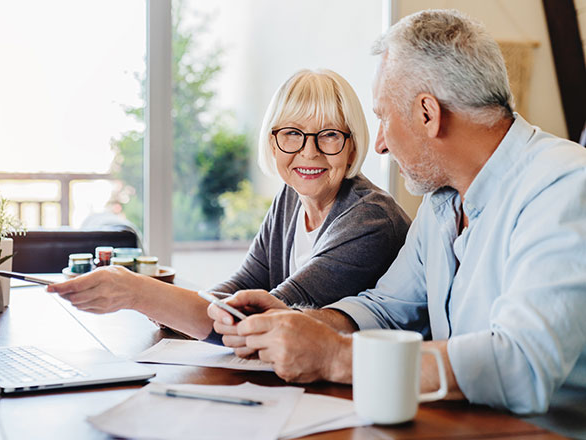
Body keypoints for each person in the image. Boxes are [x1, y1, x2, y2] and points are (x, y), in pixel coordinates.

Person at [208, 9, 586, 414]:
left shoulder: (564, 187)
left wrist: (337, 357)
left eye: (383, 118)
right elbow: (388, 308)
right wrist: (300, 321)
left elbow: (522, 365)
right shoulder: (442, 203)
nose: (380, 144)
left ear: (428, 114)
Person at [47, 69, 410, 341]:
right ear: (272, 142)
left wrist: (140, 292)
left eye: (329, 134)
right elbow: (242, 285)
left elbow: (261, 320)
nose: (309, 152)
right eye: (292, 134)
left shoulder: (369, 219)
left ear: (352, 145)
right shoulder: (290, 198)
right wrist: (174, 308)